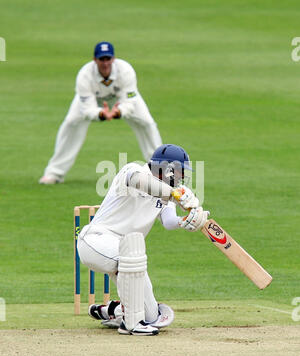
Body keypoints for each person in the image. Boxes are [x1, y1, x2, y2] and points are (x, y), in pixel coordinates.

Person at [76, 144, 210, 336]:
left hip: (127, 255)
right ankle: (131, 324)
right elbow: (137, 181)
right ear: (167, 168)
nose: (181, 177)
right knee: (132, 257)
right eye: (180, 172)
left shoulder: (168, 193)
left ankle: (112, 311)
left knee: (152, 315)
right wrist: (173, 194)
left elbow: (169, 222)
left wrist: (187, 221)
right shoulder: (133, 170)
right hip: (96, 241)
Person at [39, 41, 162, 184]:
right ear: (94, 60)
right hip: (94, 102)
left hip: (120, 101)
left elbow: (130, 103)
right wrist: (101, 114)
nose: (105, 63)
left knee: (147, 123)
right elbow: (87, 109)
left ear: (113, 59)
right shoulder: (85, 75)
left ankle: (158, 171)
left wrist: (118, 112)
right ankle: (54, 173)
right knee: (71, 123)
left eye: (108, 59)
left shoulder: (126, 71)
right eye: (101, 59)